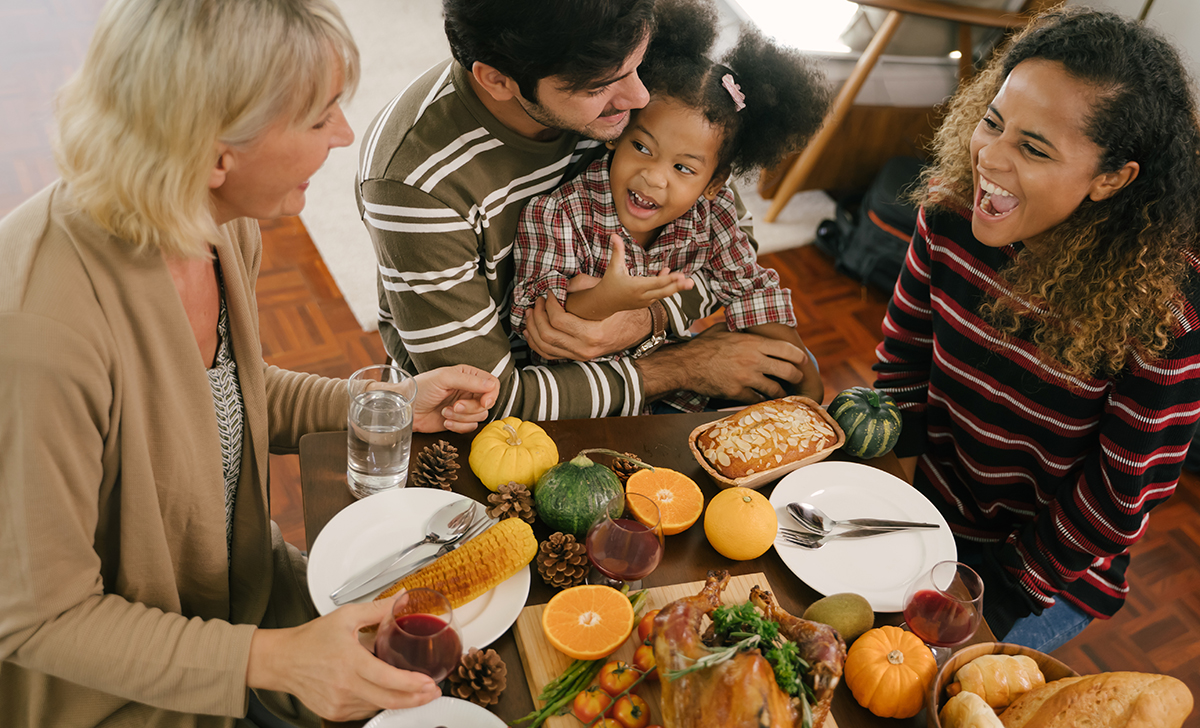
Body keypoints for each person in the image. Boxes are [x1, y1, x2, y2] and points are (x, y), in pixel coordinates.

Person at [0, 1, 500, 726]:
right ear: (212, 152)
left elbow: (223, 395)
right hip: (129, 694)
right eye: (320, 115)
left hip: (248, 599)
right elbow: (40, 617)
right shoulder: (38, 334)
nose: (346, 134)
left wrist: (384, 403)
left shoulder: (213, 224)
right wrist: (276, 661)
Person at [873, 7, 1200, 653]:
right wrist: (881, 484)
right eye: (993, 122)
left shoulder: (1164, 312)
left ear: (1112, 178)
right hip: (928, 503)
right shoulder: (949, 208)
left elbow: (1118, 494)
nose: (989, 157)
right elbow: (903, 360)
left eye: (1033, 147)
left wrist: (1007, 584)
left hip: (1043, 569)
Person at [356, 0, 816, 421]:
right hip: (516, 408)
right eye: (601, 86)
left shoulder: (622, 64)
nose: (639, 98)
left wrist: (646, 319)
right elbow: (485, 399)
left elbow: (728, 241)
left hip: (632, 377)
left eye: (637, 64)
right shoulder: (414, 183)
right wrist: (681, 366)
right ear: (498, 80)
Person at [509, 6, 831, 411]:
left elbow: (750, 290)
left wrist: (808, 378)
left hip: (672, 388)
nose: (654, 178)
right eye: (642, 147)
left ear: (714, 182)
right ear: (616, 134)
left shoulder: (715, 211)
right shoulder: (559, 212)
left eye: (682, 168)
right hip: (583, 398)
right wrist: (609, 297)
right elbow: (538, 323)